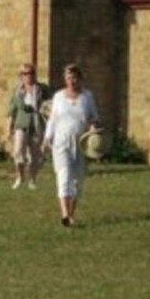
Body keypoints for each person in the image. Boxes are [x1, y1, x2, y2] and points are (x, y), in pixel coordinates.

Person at [43, 64, 99, 227]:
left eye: (74, 77)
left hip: (81, 143)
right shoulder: (59, 96)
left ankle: (71, 214)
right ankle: (65, 214)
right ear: (64, 79)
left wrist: (93, 127)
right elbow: (52, 119)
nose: (71, 81)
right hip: (61, 141)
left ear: (79, 78)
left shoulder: (87, 97)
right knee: (64, 174)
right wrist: (47, 138)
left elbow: (94, 117)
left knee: (77, 182)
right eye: (68, 78)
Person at [5, 63, 50, 190]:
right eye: (25, 73)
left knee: (35, 155)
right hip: (21, 123)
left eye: (31, 73)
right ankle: (20, 176)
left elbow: (50, 106)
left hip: (37, 124)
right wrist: (8, 129)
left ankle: (32, 179)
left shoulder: (42, 89)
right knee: (18, 151)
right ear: (21, 76)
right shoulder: (17, 91)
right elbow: (11, 110)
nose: (28, 76)